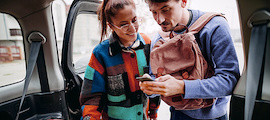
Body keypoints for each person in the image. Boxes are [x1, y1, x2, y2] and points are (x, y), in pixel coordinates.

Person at [139, 0, 240, 120]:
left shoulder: (215, 26)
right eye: (153, 12)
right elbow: (155, 78)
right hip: (178, 113)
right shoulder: (159, 38)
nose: (159, 20)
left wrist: (182, 87)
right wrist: (151, 88)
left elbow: (230, 80)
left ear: (183, 2)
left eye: (165, 10)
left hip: (214, 117)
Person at [79, 0, 160, 120]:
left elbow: (155, 82)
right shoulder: (100, 54)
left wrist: (153, 112)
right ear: (111, 26)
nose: (132, 28)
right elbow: (92, 97)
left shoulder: (148, 44)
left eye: (134, 20)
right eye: (123, 24)